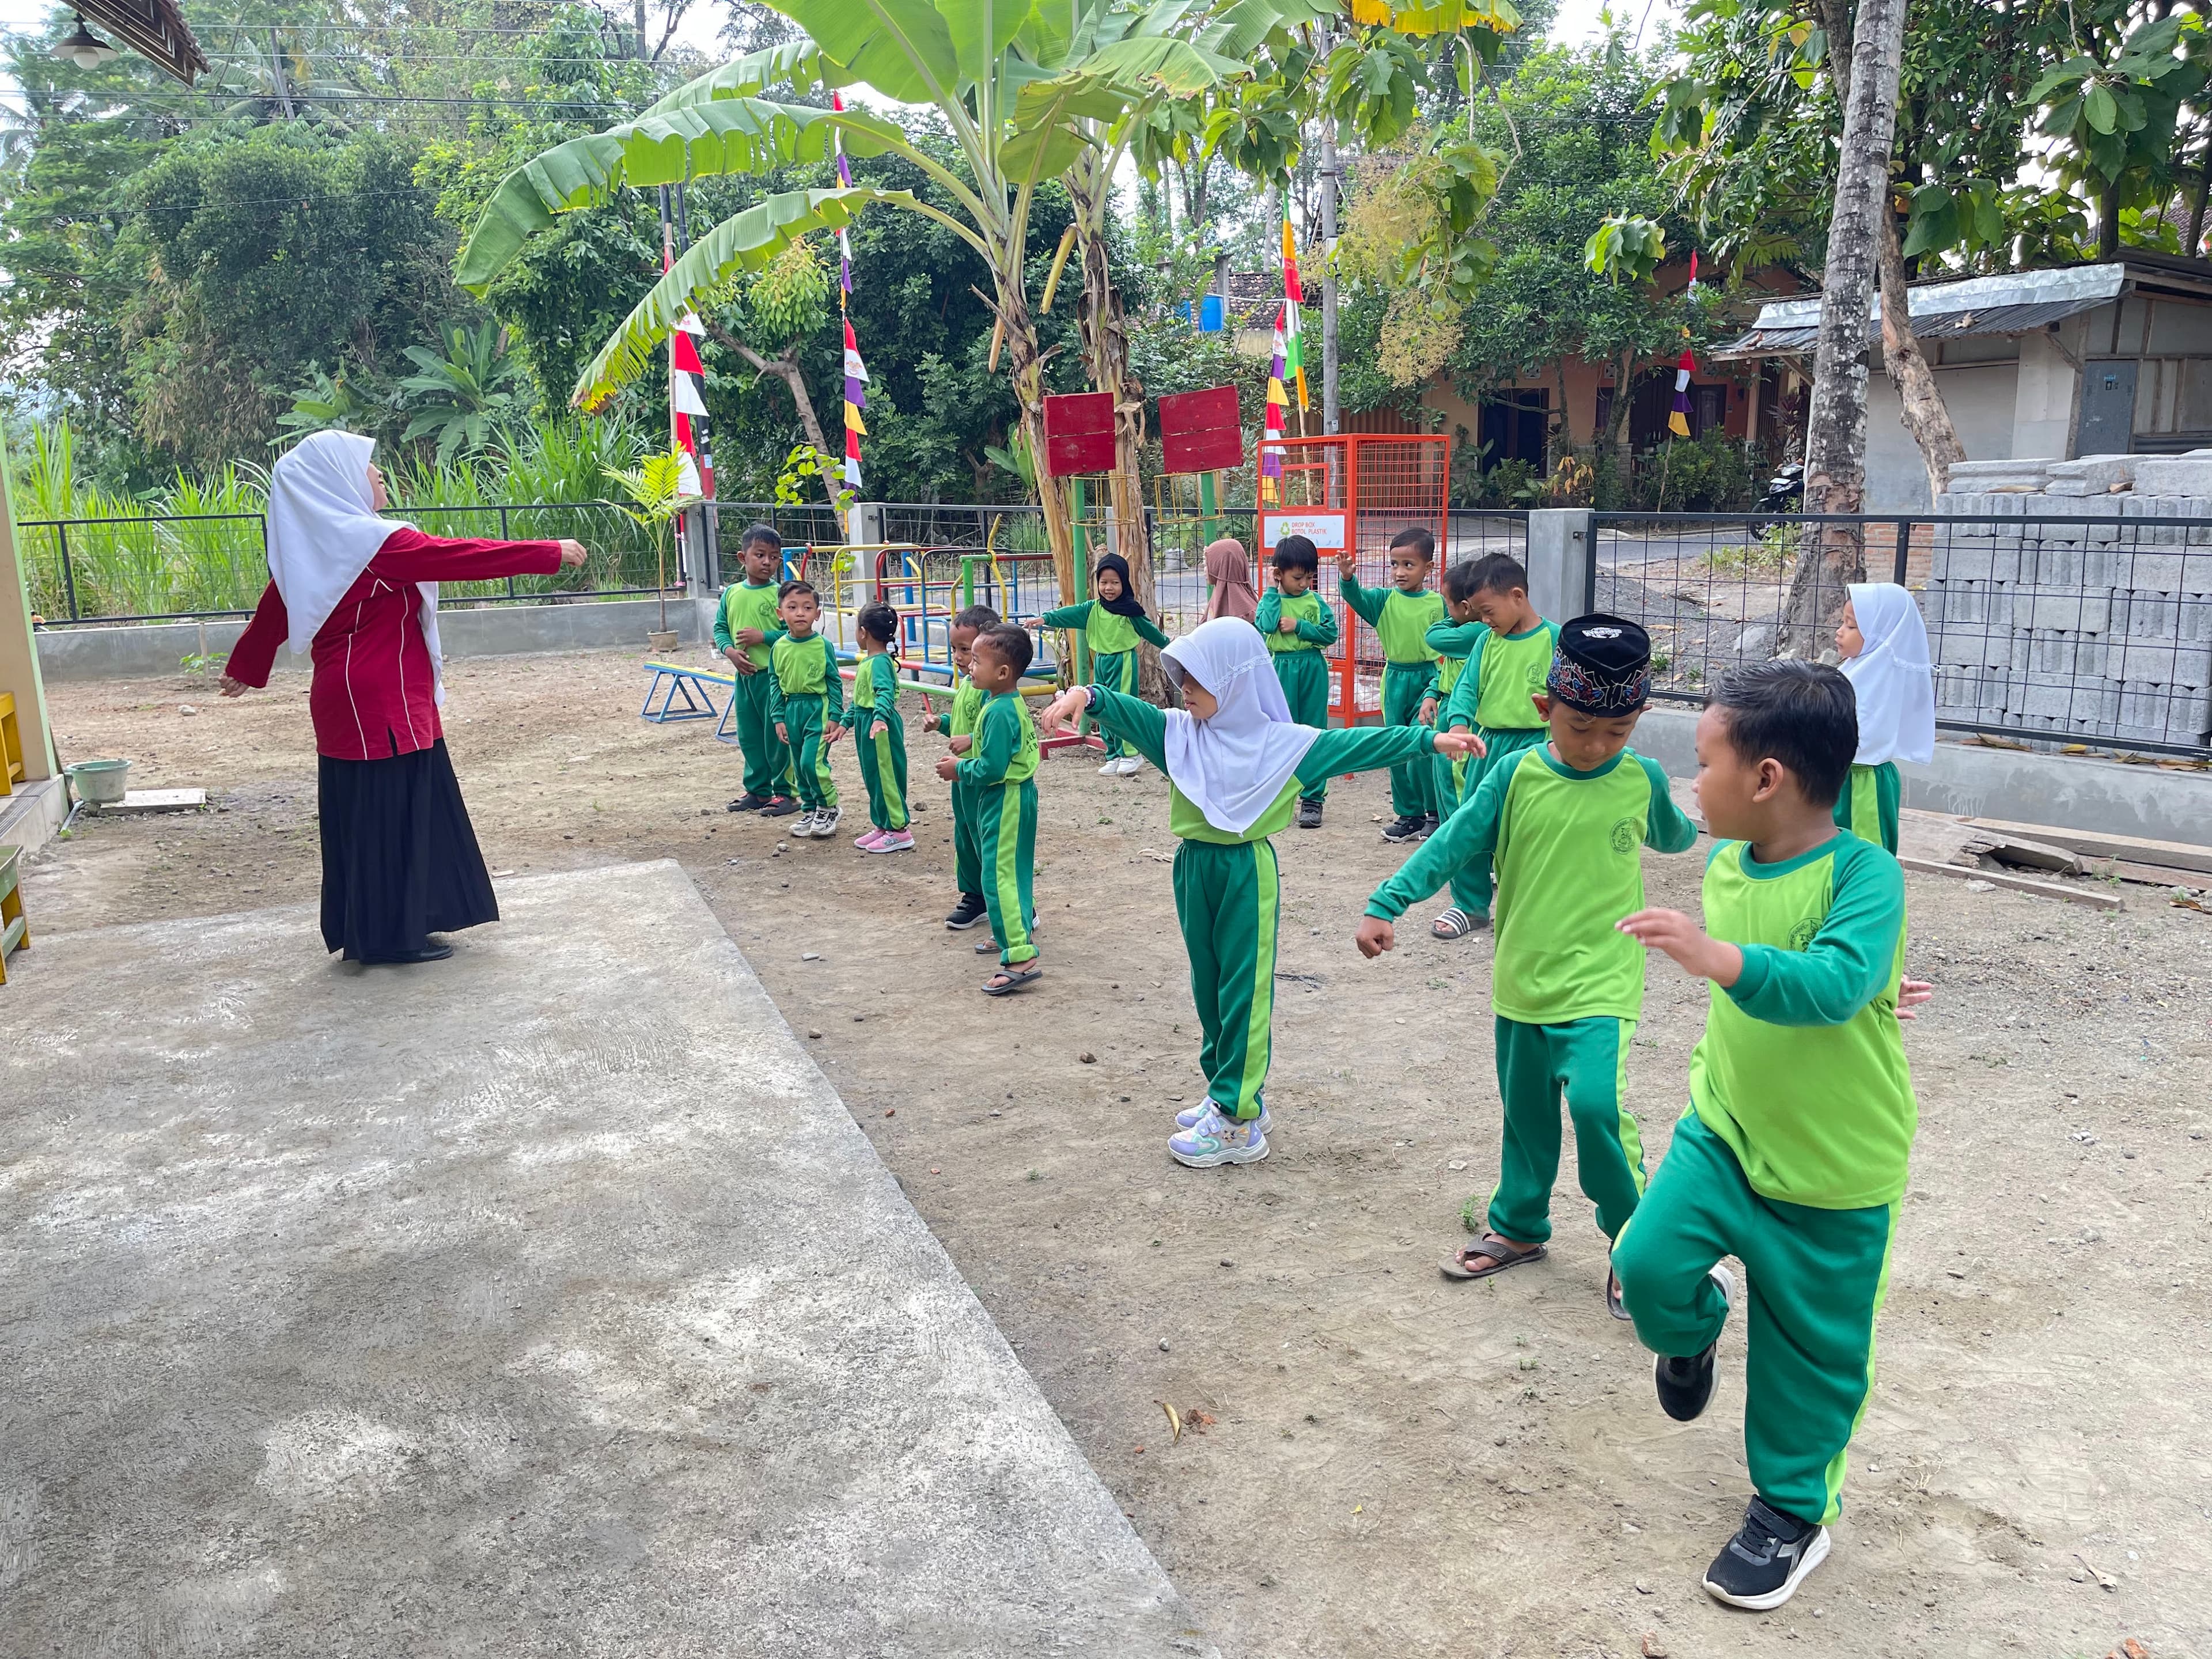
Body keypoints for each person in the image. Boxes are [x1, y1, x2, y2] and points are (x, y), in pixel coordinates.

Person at [1613, 660, 1916, 1612]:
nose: (1690, 783)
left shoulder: (1869, 872)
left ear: (1768, 777)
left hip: (1832, 1169)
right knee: (1649, 1266)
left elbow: (1829, 979)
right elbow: (1817, 971)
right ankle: (1696, 1334)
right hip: (1724, 1129)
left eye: (1704, 763)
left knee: (1809, 1357)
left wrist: (1728, 959)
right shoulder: (1726, 860)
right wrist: (1864, 980)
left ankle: (1790, 1514)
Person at [1039, 618, 1481, 1168]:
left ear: (1237, 682)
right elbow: (1134, 713)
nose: (1185, 689)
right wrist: (1086, 693)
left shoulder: (1284, 747)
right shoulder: (1181, 733)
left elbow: (1357, 745)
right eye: (1183, 678)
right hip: (1193, 867)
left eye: (1198, 679)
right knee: (1209, 984)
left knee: (1243, 989)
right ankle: (1228, 1089)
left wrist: (1430, 739)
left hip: (1246, 871)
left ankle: (1237, 1121)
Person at [1359, 615, 1698, 1298]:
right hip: (1522, 979)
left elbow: (1675, 837)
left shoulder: (1642, 777)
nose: (1597, 745)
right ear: (1546, 710)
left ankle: (1634, 1243)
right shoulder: (1514, 775)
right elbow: (1456, 842)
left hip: (1603, 979)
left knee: (1599, 1108)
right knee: (1527, 1114)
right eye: (1580, 728)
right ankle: (1518, 1226)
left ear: (1640, 720)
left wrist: (1687, 807)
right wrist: (1389, 901)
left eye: (1618, 732)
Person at [218, 430, 586, 964]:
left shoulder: (321, 550)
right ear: (339, 481)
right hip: (379, 699)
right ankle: (389, 936)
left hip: (358, 695)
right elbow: (459, 557)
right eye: (369, 467)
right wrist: (549, 551)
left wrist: (246, 667)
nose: (380, 475)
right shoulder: (375, 547)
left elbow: (275, 608)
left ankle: (397, 923)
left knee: (377, 809)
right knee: (388, 810)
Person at [1431, 553, 1562, 940]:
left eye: (1488, 610)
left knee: (1527, 832)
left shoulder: (1555, 639)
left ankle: (1526, 905)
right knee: (1473, 825)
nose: (1485, 620)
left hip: (1534, 749)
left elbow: (1573, 694)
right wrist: (1458, 724)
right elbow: (1467, 688)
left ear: (1517, 596)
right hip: (1488, 747)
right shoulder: (1487, 642)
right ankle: (1469, 905)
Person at [937, 623, 1041, 994]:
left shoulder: (999, 711)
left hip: (1006, 798)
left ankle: (1019, 956)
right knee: (1010, 873)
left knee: (999, 877)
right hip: (1013, 796)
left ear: (1003, 673)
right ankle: (1010, 934)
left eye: (977, 660)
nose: (969, 666)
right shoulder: (1001, 703)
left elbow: (993, 768)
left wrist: (958, 770)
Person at [1336, 527, 1445, 840]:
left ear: (1429, 567)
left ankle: (1434, 813)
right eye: (1394, 564)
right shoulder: (1384, 601)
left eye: (1409, 565)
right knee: (1397, 749)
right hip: (1395, 681)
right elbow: (1356, 597)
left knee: (1425, 746)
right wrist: (1347, 578)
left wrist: (1437, 687)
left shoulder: (1438, 604)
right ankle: (1408, 815)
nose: (1400, 572)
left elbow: (1448, 644)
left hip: (1429, 678)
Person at [1041, 553, 1171, 777]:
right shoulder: (1093, 609)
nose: (1108, 588)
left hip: (1123, 661)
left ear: (1124, 583)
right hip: (1101, 661)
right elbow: (1067, 614)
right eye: (1104, 582)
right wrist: (1044, 619)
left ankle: (1131, 753)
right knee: (1101, 707)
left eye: (1115, 582)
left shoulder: (1131, 611)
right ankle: (1113, 754)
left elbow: (1151, 633)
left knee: (1122, 707)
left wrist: (1170, 647)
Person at [1832, 582, 1933, 855]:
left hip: (1864, 781)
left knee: (1866, 853)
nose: (1840, 632)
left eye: (1851, 626)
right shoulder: (1857, 668)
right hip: (1837, 774)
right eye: (1843, 623)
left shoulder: (1882, 677)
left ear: (1882, 633)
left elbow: (1864, 733)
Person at [1252, 535, 1340, 829]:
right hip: (1280, 669)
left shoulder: (1314, 601)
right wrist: (1271, 590)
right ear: (1279, 574)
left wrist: (1300, 626)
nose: (1304, 584)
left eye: (1309, 578)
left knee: (1314, 730)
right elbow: (1263, 624)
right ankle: (1278, 796)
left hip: (1312, 667)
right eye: (1298, 577)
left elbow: (1330, 634)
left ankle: (1313, 799)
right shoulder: (1272, 599)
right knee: (1280, 730)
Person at [714, 523, 797, 817]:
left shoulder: (782, 595)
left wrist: (763, 637)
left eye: (774, 557)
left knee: (776, 737)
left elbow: (795, 633)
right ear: (742, 557)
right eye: (760, 555)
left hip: (773, 680)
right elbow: (720, 629)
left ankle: (786, 793)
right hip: (744, 679)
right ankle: (758, 790)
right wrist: (731, 653)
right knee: (749, 736)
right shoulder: (732, 594)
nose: (767, 562)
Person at [934, 604, 999, 928]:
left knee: (990, 843)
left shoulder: (995, 692)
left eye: (968, 652)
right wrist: (942, 723)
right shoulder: (967, 685)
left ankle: (1017, 905)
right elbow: (962, 723)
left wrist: (972, 742)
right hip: (962, 781)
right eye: (956, 650)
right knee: (966, 837)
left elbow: (996, 733)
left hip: (984, 779)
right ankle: (975, 896)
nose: (960, 659)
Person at [767, 580, 843, 839]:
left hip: (817, 708)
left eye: (807, 607)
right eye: (793, 607)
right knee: (799, 765)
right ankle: (811, 809)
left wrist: (835, 715)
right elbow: (775, 683)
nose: (800, 613)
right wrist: (778, 717)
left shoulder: (823, 646)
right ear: (781, 613)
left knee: (813, 762)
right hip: (792, 710)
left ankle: (829, 806)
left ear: (817, 614)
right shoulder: (779, 647)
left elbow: (834, 681)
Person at [837, 601, 912, 854]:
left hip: (879, 728)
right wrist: (845, 724)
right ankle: (883, 825)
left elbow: (884, 694)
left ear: (863, 632)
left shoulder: (880, 663)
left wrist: (880, 718)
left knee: (886, 777)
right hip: (865, 725)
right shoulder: (868, 662)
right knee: (873, 778)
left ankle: (899, 830)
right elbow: (860, 700)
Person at [1200, 536, 1259, 624]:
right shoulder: (1217, 596)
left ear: (1221, 566)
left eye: (1207, 565)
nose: (1204, 571)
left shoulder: (1246, 612)